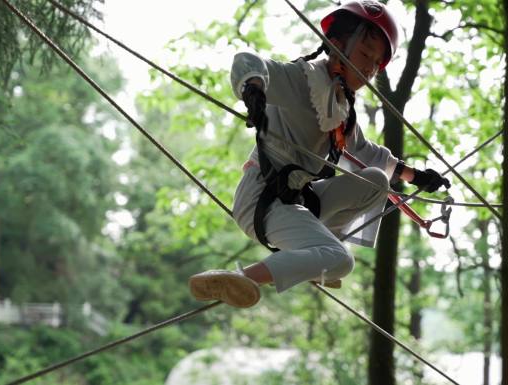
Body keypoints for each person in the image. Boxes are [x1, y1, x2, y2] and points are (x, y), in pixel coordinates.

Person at [188, 0, 449, 308]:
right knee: (341, 262)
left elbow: (366, 152)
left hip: (300, 200)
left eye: (377, 63)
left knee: (377, 181)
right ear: (336, 45)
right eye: (365, 54)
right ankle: (239, 277)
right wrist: (253, 91)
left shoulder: (341, 106)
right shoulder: (302, 80)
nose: (369, 67)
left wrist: (414, 175)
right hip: (263, 200)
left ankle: (316, 253)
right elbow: (248, 61)